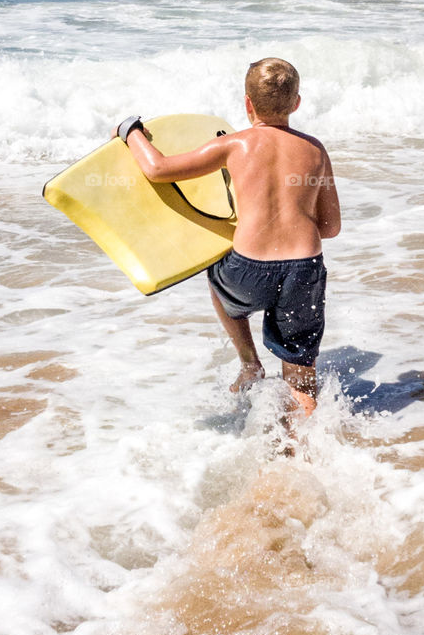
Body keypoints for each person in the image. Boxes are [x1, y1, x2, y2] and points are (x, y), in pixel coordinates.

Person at [114, 57, 341, 417]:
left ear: (247, 104)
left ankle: (250, 363)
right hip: (304, 270)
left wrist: (131, 131)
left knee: (215, 265)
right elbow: (330, 228)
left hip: (248, 272)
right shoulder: (315, 150)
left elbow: (158, 170)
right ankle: (306, 456)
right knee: (300, 381)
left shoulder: (235, 145)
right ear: (297, 103)